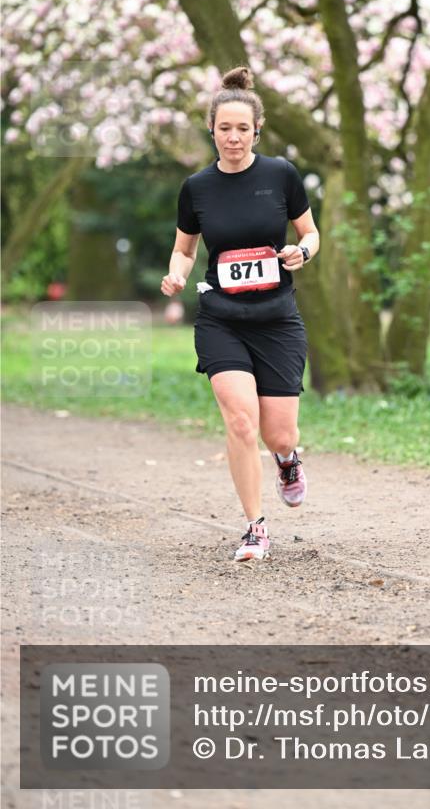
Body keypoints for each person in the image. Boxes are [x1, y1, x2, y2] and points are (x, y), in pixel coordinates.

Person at [161, 66, 319, 561]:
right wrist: (177, 274)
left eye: (242, 129)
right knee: (241, 422)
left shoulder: (281, 176)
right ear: (212, 129)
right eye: (224, 128)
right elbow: (185, 249)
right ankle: (255, 527)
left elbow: (310, 233)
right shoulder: (197, 187)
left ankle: (288, 459)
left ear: (256, 131)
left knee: (278, 433)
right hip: (221, 318)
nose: (233, 137)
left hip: (276, 318)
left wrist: (302, 252)